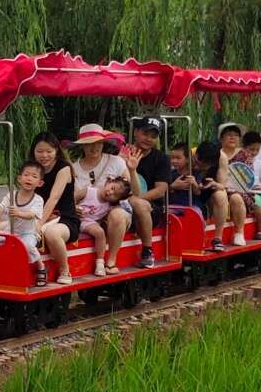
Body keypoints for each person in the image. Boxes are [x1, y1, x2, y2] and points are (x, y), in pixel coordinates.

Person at [71, 123, 132, 275]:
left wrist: (133, 170)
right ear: (82, 146)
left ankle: (110, 261)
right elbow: (70, 197)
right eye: (89, 144)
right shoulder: (73, 168)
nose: (94, 148)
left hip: (114, 211)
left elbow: (127, 191)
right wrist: (74, 208)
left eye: (98, 143)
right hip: (87, 216)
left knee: (117, 215)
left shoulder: (116, 162)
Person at [25, 132, 82, 284]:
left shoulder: (64, 169)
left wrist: (39, 223)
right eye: (40, 151)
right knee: (4, 228)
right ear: (33, 152)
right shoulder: (33, 169)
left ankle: (65, 270)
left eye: (49, 151)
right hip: (39, 215)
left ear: (56, 151)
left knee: (52, 233)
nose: (44, 155)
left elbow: (54, 198)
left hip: (64, 218)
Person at [0, 159, 50, 285]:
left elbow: (32, 214)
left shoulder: (38, 200)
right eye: (26, 175)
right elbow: (0, 208)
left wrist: (19, 213)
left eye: (34, 176)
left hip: (28, 232)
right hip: (11, 229)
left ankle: (41, 266)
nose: (29, 178)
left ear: (40, 183)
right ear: (19, 178)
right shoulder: (11, 195)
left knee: (26, 245)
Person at [130, 119, 172, 267]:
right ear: (136, 132)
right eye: (145, 133)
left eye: (153, 136)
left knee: (138, 204)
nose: (149, 139)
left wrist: (136, 198)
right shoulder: (123, 153)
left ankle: (147, 250)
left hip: (151, 207)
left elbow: (161, 190)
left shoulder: (161, 159)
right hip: (121, 200)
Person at [216, 122, 261, 245]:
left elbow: (247, 178)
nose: (232, 137)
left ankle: (241, 232)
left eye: (236, 135)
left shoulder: (244, 155)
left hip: (243, 190)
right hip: (219, 188)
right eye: (228, 135)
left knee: (244, 198)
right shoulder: (216, 154)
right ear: (221, 138)